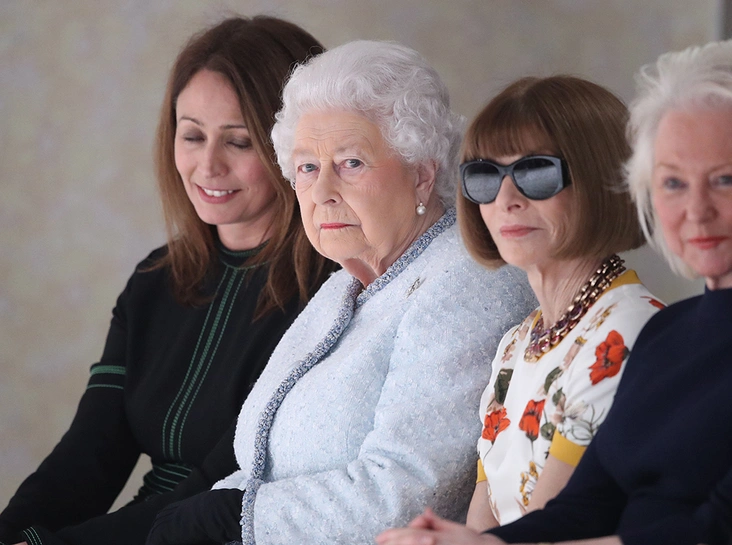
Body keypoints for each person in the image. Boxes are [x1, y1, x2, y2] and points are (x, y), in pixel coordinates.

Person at [144, 40, 536, 545]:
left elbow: (407, 493)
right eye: (307, 167)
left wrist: (229, 515)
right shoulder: (343, 286)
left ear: (422, 174)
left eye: (351, 163)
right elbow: (259, 465)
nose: (323, 191)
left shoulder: (470, 281)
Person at [376, 39, 732, 545]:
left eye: (725, 179)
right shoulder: (668, 334)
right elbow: (584, 506)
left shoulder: (634, 329)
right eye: (673, 183)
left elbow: (709, 531)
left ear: (603, 181)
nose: (506, 198)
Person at [0, 16, 336, 545]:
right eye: (192, 135)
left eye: (239, 141)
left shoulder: (333, 292)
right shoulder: (154, 281)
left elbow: (221, 484)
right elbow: (88, 454)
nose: (207, 165)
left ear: (297, 148)